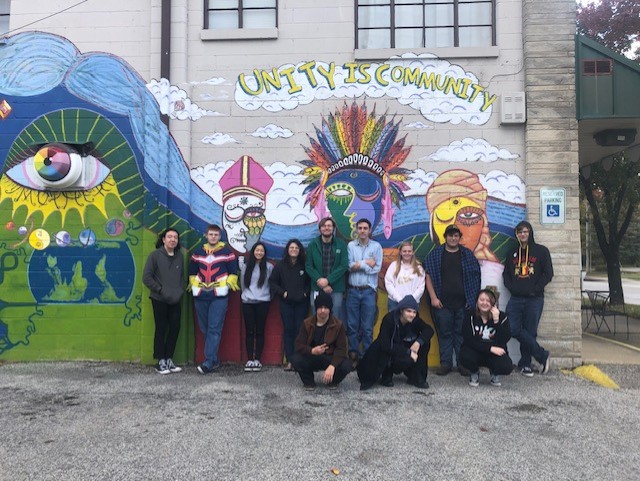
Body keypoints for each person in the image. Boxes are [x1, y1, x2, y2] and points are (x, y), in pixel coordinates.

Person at [424, 224, 481, 376]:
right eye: (450, 235)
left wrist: (472, 299)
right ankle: (446, 363)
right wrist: (433, 297)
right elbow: (427, 275)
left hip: (464, 304)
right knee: (444, 334)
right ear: (445, 237)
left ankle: (463, 364)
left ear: (459, 237)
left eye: (456, 235)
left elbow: (476, 277)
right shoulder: (436, 254)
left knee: (461, 335)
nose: (453, 238)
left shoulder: (467, 255)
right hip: (442, 304)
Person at [503, 220, 553, 377]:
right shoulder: (511, 252)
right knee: (511, 328)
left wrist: (535, 289)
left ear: (530, 233)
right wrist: (512, 287)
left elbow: (548, 273)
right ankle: (542, 355)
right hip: (515, 298)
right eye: (519, 232)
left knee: (530, 332)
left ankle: (525, 364)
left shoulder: (541, 251)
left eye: (525, 231)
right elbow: (506, 274)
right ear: (516, 234)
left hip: (534, 299)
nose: (522, 234)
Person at [189, 224, 239, 374]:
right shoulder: (197, 253)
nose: (213, 237)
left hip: (219, 296)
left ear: (219, 236)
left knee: (214, 329)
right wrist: (195, 284)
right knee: (205, 328)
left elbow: (233, 273)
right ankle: (214, 359)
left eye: (216, 235)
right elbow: (192, 273)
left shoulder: (227, 253)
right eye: (211, 234)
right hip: (201, 296)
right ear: (206, 235)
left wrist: (228, 284)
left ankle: (208, 362)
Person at [357, 295, 433, 391]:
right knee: (380, 347)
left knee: (425, 342)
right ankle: (386, 374)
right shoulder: (389, 319)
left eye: (414, 312)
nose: (412, 315)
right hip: (389, 353)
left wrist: (418, 342)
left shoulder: (415, 320)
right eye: (408, 311)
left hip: (401, 351)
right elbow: (385, 344)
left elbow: (429, 330)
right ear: (401, 311)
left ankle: (416, 376)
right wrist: (408, 352)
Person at [143, 228, 185, 375]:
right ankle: (160, 360)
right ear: (163, 239)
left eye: (175, 237)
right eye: (170, 237)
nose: (173, 239)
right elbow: (146, 277)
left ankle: (169, 359)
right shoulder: (155, 256)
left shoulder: (179, 256)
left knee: (175, 328)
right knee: (161, 328)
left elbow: (181, 277)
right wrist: (160, 290)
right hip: (159, 299)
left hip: (175, 299)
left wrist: (179, 291)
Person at [290, 291, 351, 390]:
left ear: (330, 309)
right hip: (312, 356)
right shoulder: (307, 323)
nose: (323, 310)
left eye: (326, 308)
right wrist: (311, 350)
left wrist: (332, 366)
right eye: (320, 307)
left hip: (329, 357)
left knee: (346, 365)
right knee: (295, 359)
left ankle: (333, 381)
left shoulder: (338, 325)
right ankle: (309, 382)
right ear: (316, 308)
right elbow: (298, 345)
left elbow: (341, 349)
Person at [346, 218, 383, 368]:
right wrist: (366, 262)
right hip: (353, 290)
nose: (362, 231)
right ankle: (354, 356)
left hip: (369, 291)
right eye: (360, 228)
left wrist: (358, 264)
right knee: (352, 326)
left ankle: (367, 358)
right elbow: (348, 267)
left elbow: (377, 268)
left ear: (369, 230)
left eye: (365, 228)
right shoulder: (350, 246)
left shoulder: (376, 247)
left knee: (367, 327)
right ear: (356, 229)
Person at [269, 239, 310, 371]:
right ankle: (290, 360)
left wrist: (305, 293)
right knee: (288, 331)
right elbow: (273, 282)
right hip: (286, 303)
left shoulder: (305, 265)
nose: (294, 250)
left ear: (300, 250)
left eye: (296, 248)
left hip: (301, 303)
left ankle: (299, 360)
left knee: (300, 331)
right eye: (291, 247)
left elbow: (310, 282)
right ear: (287, 249)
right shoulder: (280, 265)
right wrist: (283, 293)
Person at [459, 289, 513, 387]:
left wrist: (496, 320)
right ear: (477, 301)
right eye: (482, 300)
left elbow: (505, 339)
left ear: (493, 303)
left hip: (494, 354)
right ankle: (474, 372)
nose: (484, 303)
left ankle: (494, 372)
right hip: (476, 351)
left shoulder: (502, 316)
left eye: (488, 301)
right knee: (464, 356)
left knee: (507, 366)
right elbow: (469, 339)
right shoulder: (470, 316)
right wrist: (489, 348)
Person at [305, 216, 349, 320]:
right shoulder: (313, 245)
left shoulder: (341, 244)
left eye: (329, 226)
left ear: (333, 228)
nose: (326, 228)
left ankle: (333, 337)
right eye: (324, 226)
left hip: (336, 287)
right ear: (320, 229)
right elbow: (308, 266)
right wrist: (321, 282)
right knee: (317, 315)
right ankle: (318, 336)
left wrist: (328, 281)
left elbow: (343, 265)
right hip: (317, 286)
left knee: (335, 316)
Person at [240, 242, 273, 372]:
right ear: (253, 251)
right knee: (249, 331)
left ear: (264, 253)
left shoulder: (269, 267)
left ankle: (257, 360)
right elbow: (243, 284)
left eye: (261, 251)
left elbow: (271, 285)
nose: (259, 253)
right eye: (257, 250)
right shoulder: (246, 266)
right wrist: (246, 295)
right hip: (247, 302)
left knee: (260, 331)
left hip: (263, 302)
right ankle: (249, 360)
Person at [384, 241, 425, 311]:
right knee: (394, 322)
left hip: (412, 303)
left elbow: (421, 287)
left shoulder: (419, 268)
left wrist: (410, 300)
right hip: (394, 303)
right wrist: (399, 299)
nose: (407, 253)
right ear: (400, 252)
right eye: (404, 251)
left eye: (409, 251)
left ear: (413, 252)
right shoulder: (394, 266)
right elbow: (388, 283)